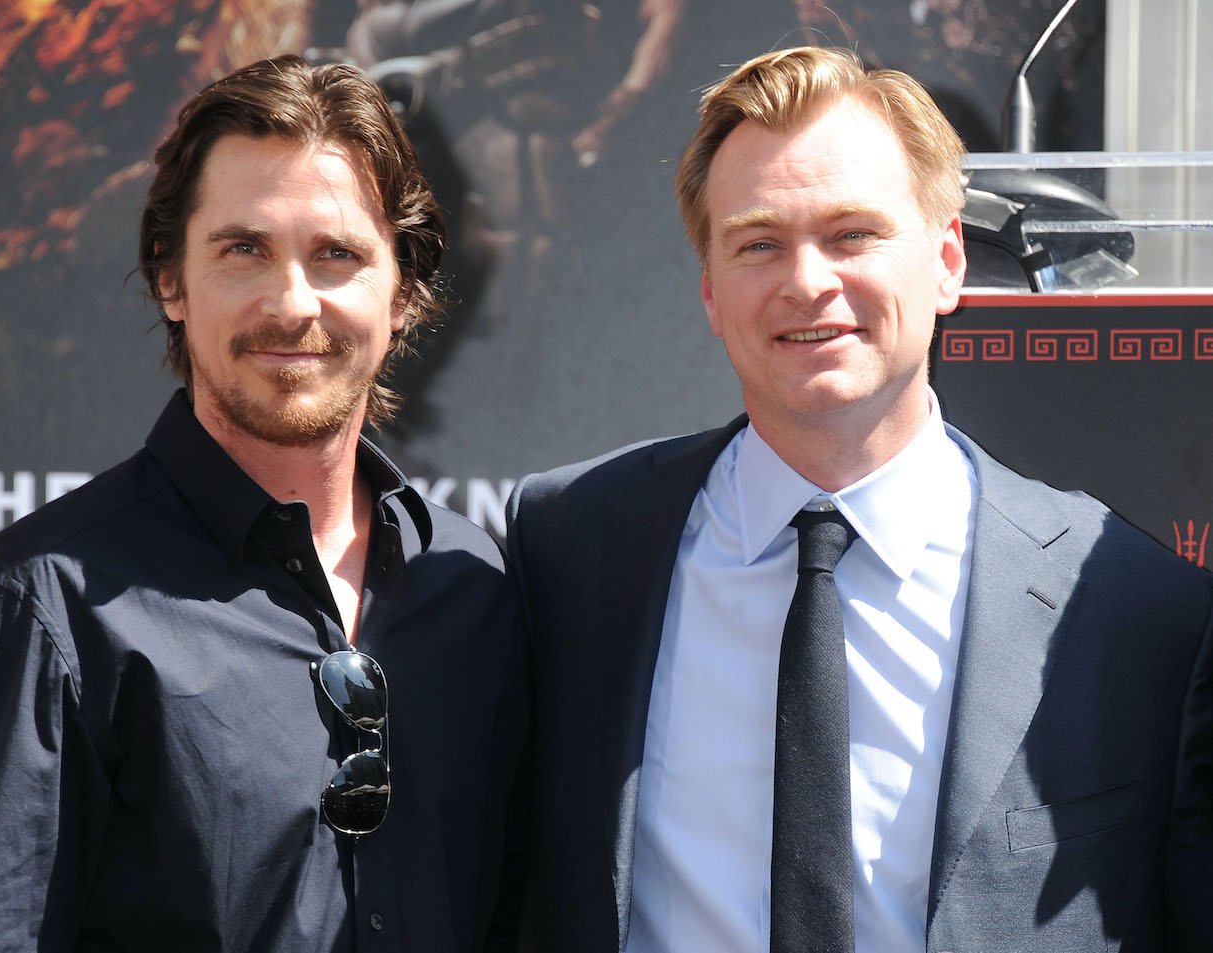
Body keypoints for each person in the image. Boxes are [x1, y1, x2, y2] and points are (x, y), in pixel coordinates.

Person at [505, 46, 1213, 952]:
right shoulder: (573, 546)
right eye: (759, 242)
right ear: (712, 293)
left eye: (853, 234)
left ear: (949, 260)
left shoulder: (1133, 606)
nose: (808, 281)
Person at [0, 55, 525, 952]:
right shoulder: (46, 604)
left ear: (405, 292)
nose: (291, 303)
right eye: (244, 249)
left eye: (336, 254)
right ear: (171, 280)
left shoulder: (478, 587)